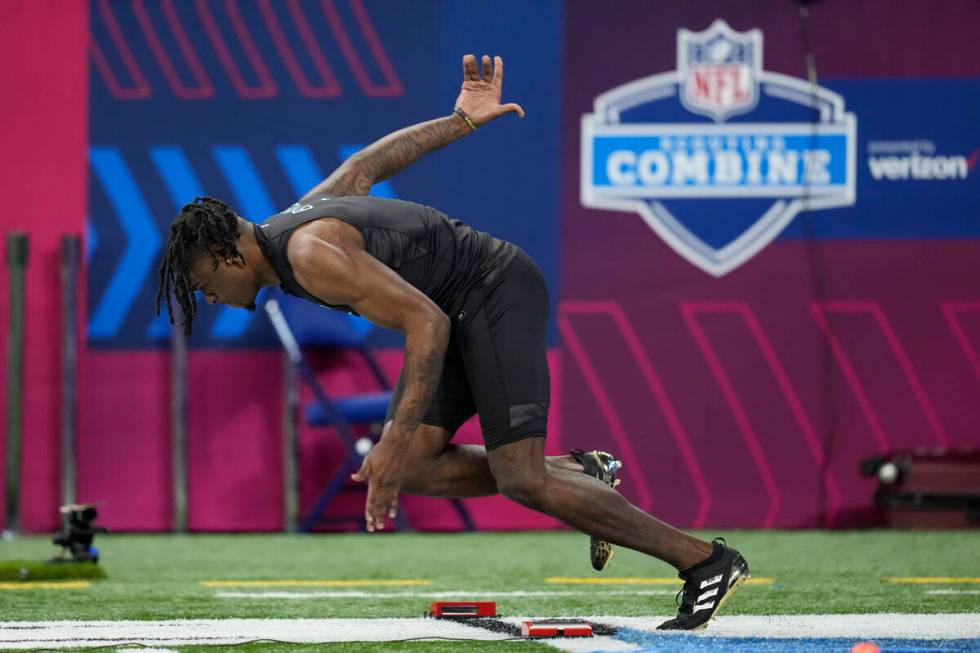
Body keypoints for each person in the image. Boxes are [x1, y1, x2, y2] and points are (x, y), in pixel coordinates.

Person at [155, 54, 749, 630]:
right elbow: (367, 163)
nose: (209, 299)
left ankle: (704, 561)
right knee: (416, 466)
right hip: (458, 307)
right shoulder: (295, 223)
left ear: (223, 254)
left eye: (203, 284)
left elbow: (428, 325)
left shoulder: (308, 254)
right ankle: (583, 471)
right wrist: (460, 121)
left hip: (491, 291)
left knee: (520, 477)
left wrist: (389, 438)